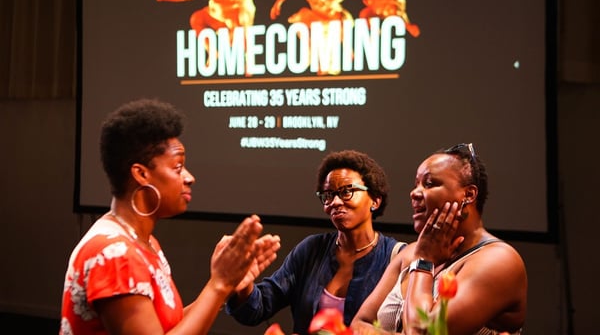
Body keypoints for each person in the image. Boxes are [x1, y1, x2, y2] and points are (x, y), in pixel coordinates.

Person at [60, 98, 281, 335]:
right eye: (177, 167)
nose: (189, 177)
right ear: (141, 174)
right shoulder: (116, 255)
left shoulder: (143, 242)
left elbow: (164, 328)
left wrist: (224, 288)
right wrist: (219, 284)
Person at [351, 143, 527, 335]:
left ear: (468, 194)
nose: (414, 193)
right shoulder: (410, 253)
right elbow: (359, 324)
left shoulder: (498, 260)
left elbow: (424, 332)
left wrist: (424, 262)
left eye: (429, 184)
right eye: (416, 184)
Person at [225, 150, 404, 335]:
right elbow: (258, 308)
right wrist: (244, 285)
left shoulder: (397, 258)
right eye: (328, 195)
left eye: (346, 192)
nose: (335, 202)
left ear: (375, 200)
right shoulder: (311, 250)